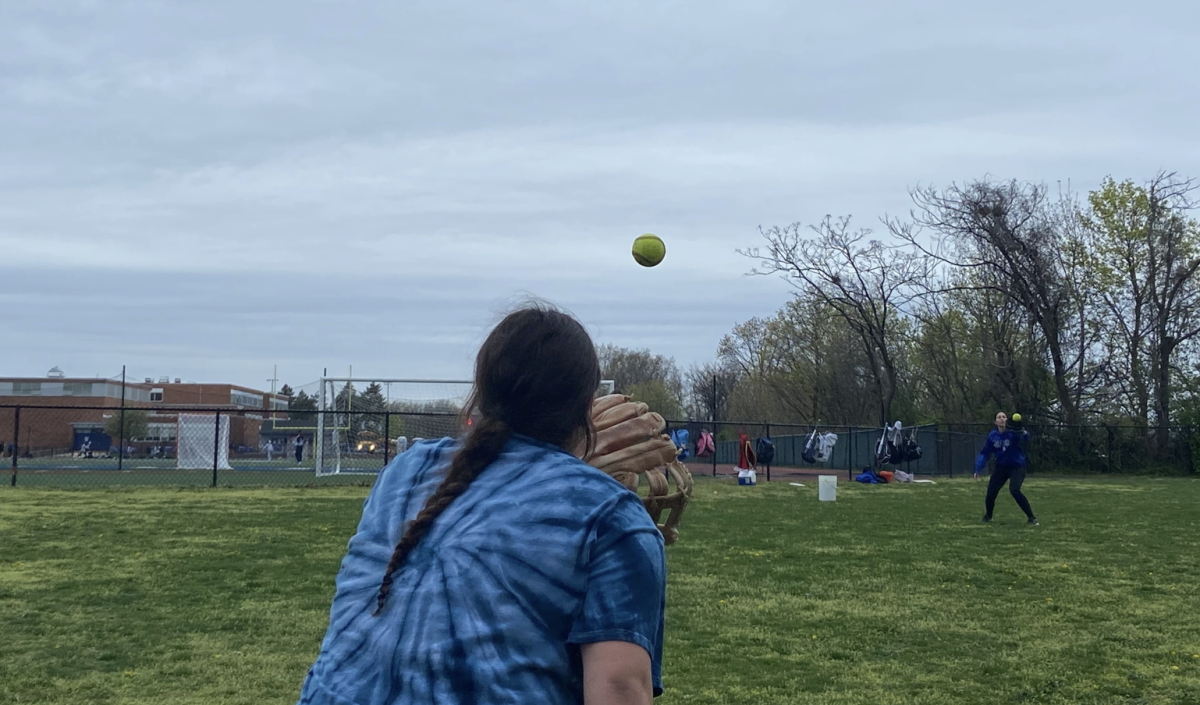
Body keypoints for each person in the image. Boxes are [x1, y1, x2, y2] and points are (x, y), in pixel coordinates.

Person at [296, 304, 666, 705]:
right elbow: (619, 690)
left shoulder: (407, 470)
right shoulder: (610, 516)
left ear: (480, 391)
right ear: (585, 407)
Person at [976, 411, 1038, 525]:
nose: (1001, 419)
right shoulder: (992, 436)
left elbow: (1026, 437)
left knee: (1014, 490)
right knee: (991, 492)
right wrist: (978, 468)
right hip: (1001, 467)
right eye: (999, 417)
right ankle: (988, 516)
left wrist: (1023, 431)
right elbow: (985, 452)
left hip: (1017, 466)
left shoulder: (1013, 433)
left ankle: (1031, 517)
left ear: (1007, 420)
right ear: (995, 422)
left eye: (1004, 417)